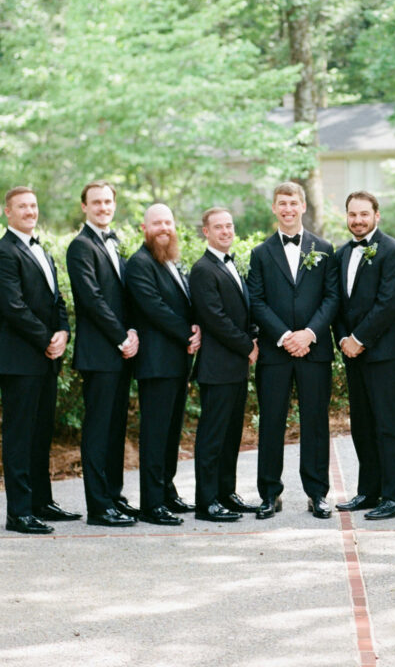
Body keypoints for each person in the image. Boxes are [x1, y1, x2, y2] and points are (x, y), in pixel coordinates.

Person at [0, 187, 80, 534]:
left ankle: (42, 502)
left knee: (41, 434)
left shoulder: (43, 250)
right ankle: (19, 513)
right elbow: (13, 307)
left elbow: (57, 300)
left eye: (33, 205)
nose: (30, 211)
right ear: (8, 213)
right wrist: (46, 340)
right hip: (19, 359)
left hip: (45, 358)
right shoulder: (2, 253)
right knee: (20, 437)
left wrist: (64, 333)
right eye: (22, 206)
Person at [247, 181, 339, 519]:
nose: (287, 209)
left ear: (302, 206)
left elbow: (332, 297)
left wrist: (309, 334)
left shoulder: (325, 248)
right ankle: (269, 494)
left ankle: (317, 493)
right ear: (274, 208)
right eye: (281, 203)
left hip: (314, 351)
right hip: (276, 351)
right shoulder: (260, 253)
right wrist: (286, 335)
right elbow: (255, 301)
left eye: (293, 203)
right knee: (271, 422)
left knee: (315, 422)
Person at [333, 191, 395, 520]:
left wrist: (359, 338)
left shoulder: (393, 251)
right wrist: (342, 340)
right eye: (352, 214)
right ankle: (368, 491)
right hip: (352, 352)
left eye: (364, 214)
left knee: (389, 424)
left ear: (377, 215)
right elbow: (336, 301)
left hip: (385, 352)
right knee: (362, 424)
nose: (358, 220)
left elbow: (389, 302)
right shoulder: (340, 254)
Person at [66, 181, 139, 528]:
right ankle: (98, 507)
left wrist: (134, 332)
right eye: (96, 202)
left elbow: (125, 297)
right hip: (100, 353)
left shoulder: (117, 243)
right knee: (97, 432)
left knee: (115, 430)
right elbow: (91, 299)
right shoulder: (80, 247)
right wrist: (121, 337)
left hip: (122, 351)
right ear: (84, 207)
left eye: (108, 201)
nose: (103, 207)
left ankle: (114, 496)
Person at [125, 203, 201, 525]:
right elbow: (154, 308)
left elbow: (183, 304)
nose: (164, 229)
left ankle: (167, 492)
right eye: (157, 223)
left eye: (168, 222)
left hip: (177, 363)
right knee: (155, 436)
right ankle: (151, 504)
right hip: (156, 364)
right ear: (145, 228)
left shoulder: (171, 261)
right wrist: (188, 334)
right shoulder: (139, 264)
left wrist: (197, 327)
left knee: (171, 434)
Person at [189, 208, 259, 523]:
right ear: (206, 231)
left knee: (232, 435)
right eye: (218, 227)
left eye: (229, 226)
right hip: (217, 367)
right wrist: (248, 346)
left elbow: (243, 312)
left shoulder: (231, 265)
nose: (225, 231)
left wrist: (254, 337)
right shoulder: (203, 269)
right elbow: (214, 318)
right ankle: (206, 502)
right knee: (213, 437)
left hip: (235, 366)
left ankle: (226, 493)